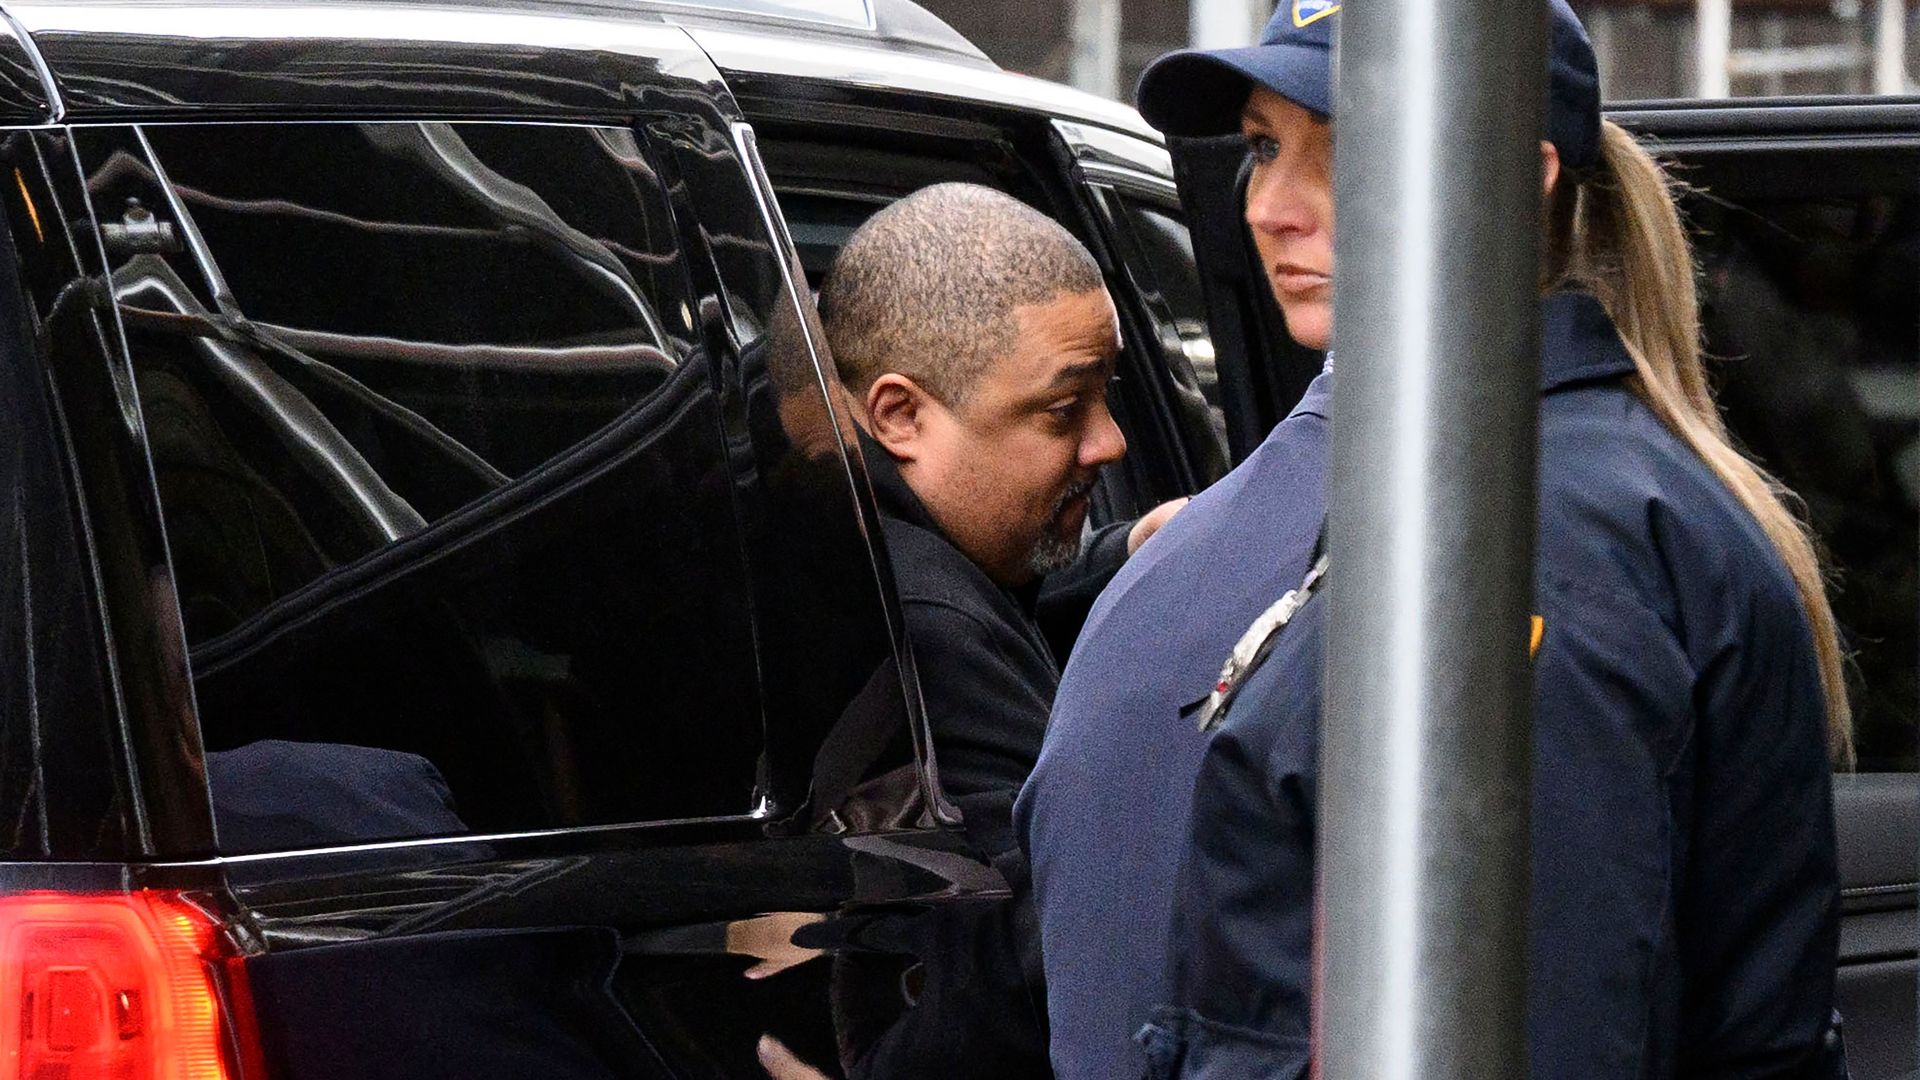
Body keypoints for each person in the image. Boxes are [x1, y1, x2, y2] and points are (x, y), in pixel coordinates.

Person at [1019, 2, 1853, 1078]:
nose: (1271, 206)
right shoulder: (1469, 485)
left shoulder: (1530, 535)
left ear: (1517, 173)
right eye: (1267, 147)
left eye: (1351, 144)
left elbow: (1536, 1036)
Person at [818, 181, 1183, 801]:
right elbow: (1057, 890)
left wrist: (1129, 554)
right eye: (1065, 409)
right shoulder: (920, 648)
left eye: (1107, 393)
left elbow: (998, 585)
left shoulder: (833, 531)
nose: (1111, 442)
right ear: (901, 417)